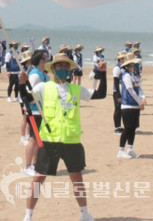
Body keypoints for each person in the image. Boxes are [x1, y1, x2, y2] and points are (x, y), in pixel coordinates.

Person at [23, 53, 106, 221]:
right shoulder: (44, 87)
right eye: (59, 66)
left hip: (71, 141)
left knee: (77, 178)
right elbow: (26, 98)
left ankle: (84, 213)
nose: (63, 69)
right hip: (49, 141)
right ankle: (28, 215)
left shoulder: (76, 89)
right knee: (38, 178)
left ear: (69, 69)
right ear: (53, 68)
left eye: (66, 66)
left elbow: (101, 94)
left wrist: (103, 74)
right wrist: (21, 84)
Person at [20, 49, 49, 176]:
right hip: (35, 111)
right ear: (41, 59)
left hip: (44, 111)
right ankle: (27, 166)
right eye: (46, 57)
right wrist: (28, 107)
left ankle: (36, 164)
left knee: (39, 139)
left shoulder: (45, 75)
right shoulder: (35, 75)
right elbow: (27, 92)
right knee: (33, 138)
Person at [117, 53, 146, 159]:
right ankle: (121, 150)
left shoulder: (134, 75)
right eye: (132, 64)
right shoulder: (126, 76)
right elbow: (130, 90)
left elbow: (139, 88)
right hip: (127, 105)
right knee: (127, 128)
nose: (133, 66)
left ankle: (130, 148)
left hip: (135, 106)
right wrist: (139, 101)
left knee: (133, 128)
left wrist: (143, 97)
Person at [112, 52, 127, 134]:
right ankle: (117, 127)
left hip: (123, 91)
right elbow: (116, 81)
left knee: (122, 109)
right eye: (123, 58)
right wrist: (118, 94)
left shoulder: (124, 67)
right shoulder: (117, 68)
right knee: (118, 109)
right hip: (117, 91)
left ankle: (121, 126)